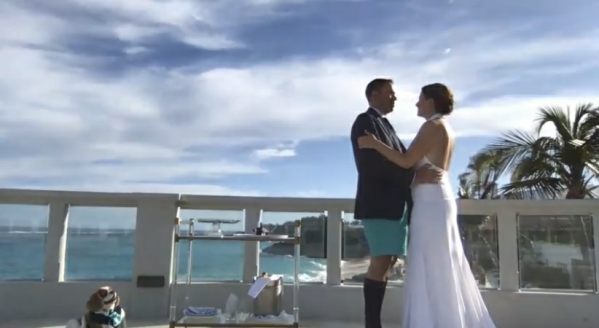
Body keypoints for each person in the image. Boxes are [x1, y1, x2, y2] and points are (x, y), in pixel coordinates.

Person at [358, 83, 496, 328]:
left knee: (430, 263)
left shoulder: (432, 126)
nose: (415, 103)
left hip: (430, 203)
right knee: (442, 262)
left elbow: (406, 160)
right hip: (437, 199)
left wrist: (375, 144)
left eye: (420, 98)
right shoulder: (445, 128)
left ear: (431, 101)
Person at [350, 78, 441, 328]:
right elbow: (371, 165)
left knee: (387, 261)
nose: (395, 98)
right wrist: (414, 176)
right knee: (380, 261)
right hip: (379, 205)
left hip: (395, 206)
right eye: (390, 93)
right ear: (374, 94)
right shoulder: (364, 122)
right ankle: (372, 324)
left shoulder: (385, 124)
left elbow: (403, 157)